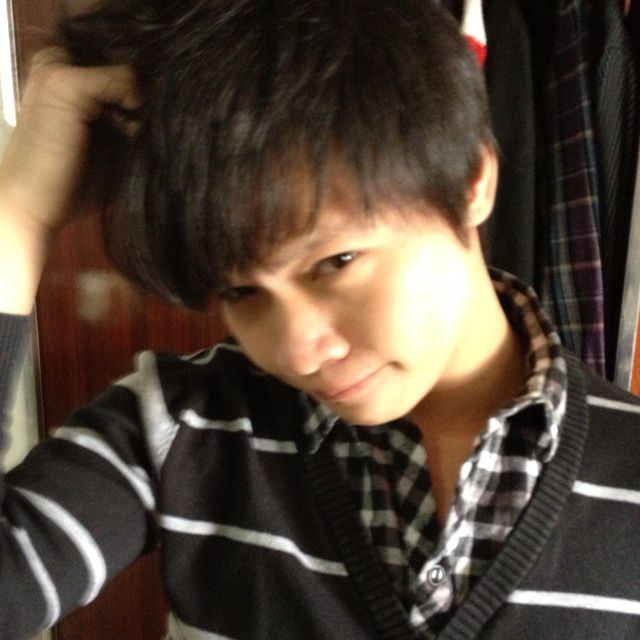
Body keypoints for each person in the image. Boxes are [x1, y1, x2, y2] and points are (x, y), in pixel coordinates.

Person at [1, 1, 640, 638]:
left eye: (337, 262)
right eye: (241, 292)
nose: (300, 351)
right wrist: (19, 212)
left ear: (471, 179)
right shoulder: (181, 426)